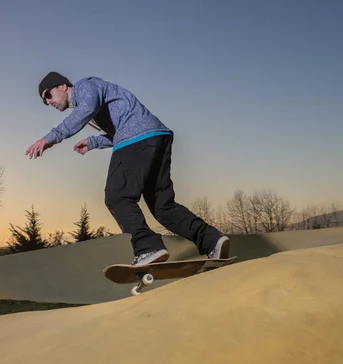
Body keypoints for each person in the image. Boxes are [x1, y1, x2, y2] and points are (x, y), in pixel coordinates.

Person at [25, 72, 229, 266]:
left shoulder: (85, 86)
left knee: (117, 196)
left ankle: (148, 248)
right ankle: (212, 240)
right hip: (155, 138)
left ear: (63, 86)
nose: (48, 102)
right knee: (163, 207)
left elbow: (86, 110)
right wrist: (94, 142)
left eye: (48, 95)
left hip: (138, 140)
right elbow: (120, 130)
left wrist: (50, 137)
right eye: (45, 102)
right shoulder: (95, 102)